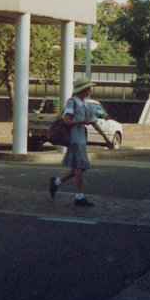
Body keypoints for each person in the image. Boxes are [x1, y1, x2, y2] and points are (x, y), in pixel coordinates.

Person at [48, 78, 109, 207]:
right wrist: (81, 122)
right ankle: (78, 197)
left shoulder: (85, 103)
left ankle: (57, 183)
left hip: (81, 138)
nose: (90, 90)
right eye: (88, 88)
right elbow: (66, 120)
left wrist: (106, 138)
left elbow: (93, 121)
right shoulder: (72, 102)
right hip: (74, 139)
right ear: (83, 89)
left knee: (77, 168)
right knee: (80, 167)